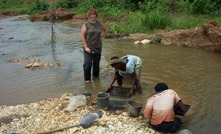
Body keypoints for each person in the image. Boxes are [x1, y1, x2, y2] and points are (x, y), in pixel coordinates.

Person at [81, 8, 108, 83]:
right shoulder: (86, 24)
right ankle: (87, 81)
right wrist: (86, 47)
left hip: (98, 47)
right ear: (89, 16)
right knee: (87, 64)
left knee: (96, 66)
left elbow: (106, 30)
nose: (92, 17)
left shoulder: (99, 24)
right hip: (88, 48)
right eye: (91, 15)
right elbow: (82, 36)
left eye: (94, 15)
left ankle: (96, 81)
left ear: (96, 15)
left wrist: (103, 37)